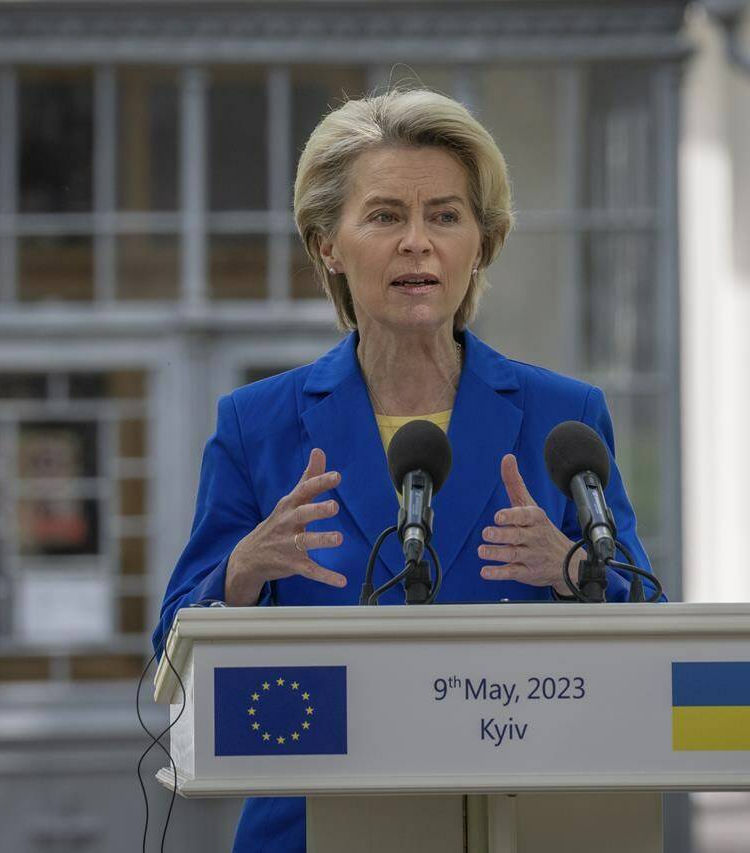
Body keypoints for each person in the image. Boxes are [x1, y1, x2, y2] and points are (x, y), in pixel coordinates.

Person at [153, 87, 660, 852]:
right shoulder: (257, 424)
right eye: (386, 215)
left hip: (522, 823)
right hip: (309, 829)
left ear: (481, 245)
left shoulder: (566, 418)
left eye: (446, 217)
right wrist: (242, 573)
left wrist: (572, 565)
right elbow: (172, 649)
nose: (417, 243)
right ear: (327, 242)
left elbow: (651, 627)